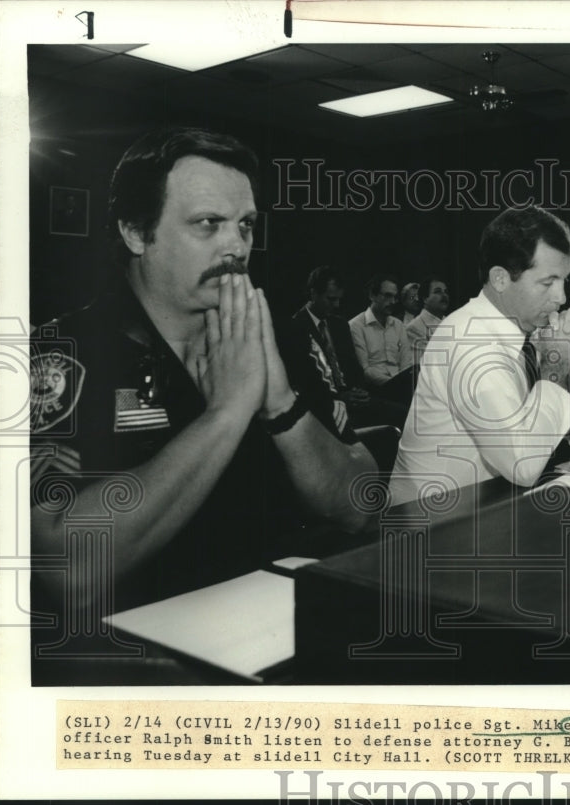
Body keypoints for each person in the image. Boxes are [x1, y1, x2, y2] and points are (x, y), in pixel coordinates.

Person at [29, 128, 376, 614]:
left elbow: (360, 505)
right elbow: (66, 570)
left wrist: (279, 404)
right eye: (208, 223)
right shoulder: (59, 356)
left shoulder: (276, 337)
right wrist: (227, 412)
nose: (236, 245)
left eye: (246, 225)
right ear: (135, 232)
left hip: (272, 623)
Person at [389, 206, 570, 506]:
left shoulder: (532, 333)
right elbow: (522, 466)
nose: (562, 298)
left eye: (565, 281)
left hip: (489, 508)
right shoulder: (468, 340)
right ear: (500, 279)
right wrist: (556, 363)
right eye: (548, 282)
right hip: (429, 527)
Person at [282, 266, 407, 429]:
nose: (337, 305)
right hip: (323, 406)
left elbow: (354, 367)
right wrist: (339, 397)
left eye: (339, 299)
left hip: (351, 400)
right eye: (331, 299)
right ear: (313, 294)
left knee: (405, 414)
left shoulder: (339, 324)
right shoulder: (294, 328)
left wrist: (358, 391)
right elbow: (302, 383)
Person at [348, 274, 414, 405]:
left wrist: (403, 384)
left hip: (401, 388)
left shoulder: (398, 325)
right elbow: (365, 370)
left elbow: (406, 364)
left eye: (395, 297)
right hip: (375, 390)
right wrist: (396, 384)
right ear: (372, 296)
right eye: (387, 296)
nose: (393, 302)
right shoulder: (356, 325)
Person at [405, 276, 450, 368]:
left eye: (446, 292)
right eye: (438, 292)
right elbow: (422, 366)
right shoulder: (414, 328)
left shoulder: (452, 322)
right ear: (425, 298)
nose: (444, 295)